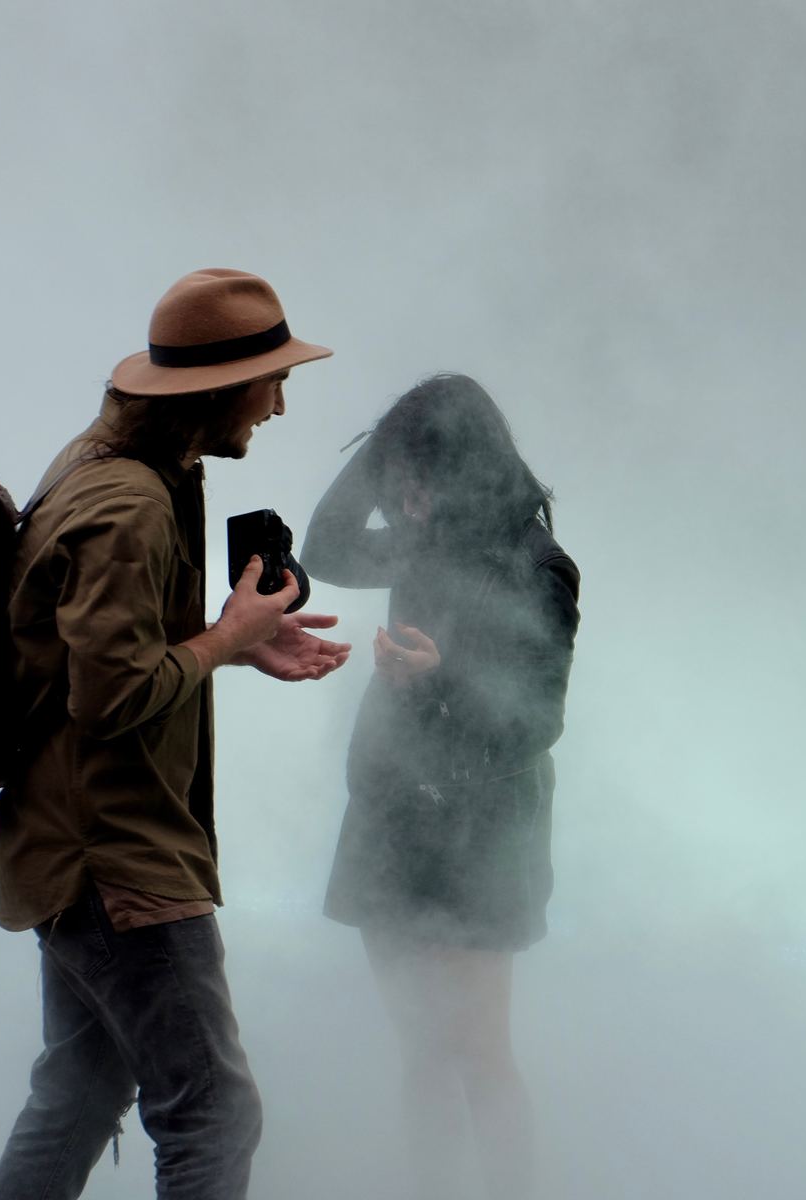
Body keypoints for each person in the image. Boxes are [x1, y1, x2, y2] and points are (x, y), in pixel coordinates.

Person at [0, 268, 350, 1200]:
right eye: (271, 379)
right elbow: (109, 696)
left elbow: (114, 654)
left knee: (80, 1089)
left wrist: (239, 647)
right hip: (119, 859)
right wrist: (227, 637)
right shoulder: (132, 508)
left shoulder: (118, 465)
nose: (277, 402)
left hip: (72, 844)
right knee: (213, 1112)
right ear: (219, 388)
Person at [301, 373, 580, 1200]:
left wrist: (442, 677)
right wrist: (382, 448)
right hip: (391, 818)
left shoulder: (538, 563)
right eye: (397, 483)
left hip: (481, 837)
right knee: (420, 1053)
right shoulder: (423, 540)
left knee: (478, 1055)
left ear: (468, 471)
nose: (405, 500)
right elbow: (323, 546)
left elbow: (536, 719)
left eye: (421, 480)